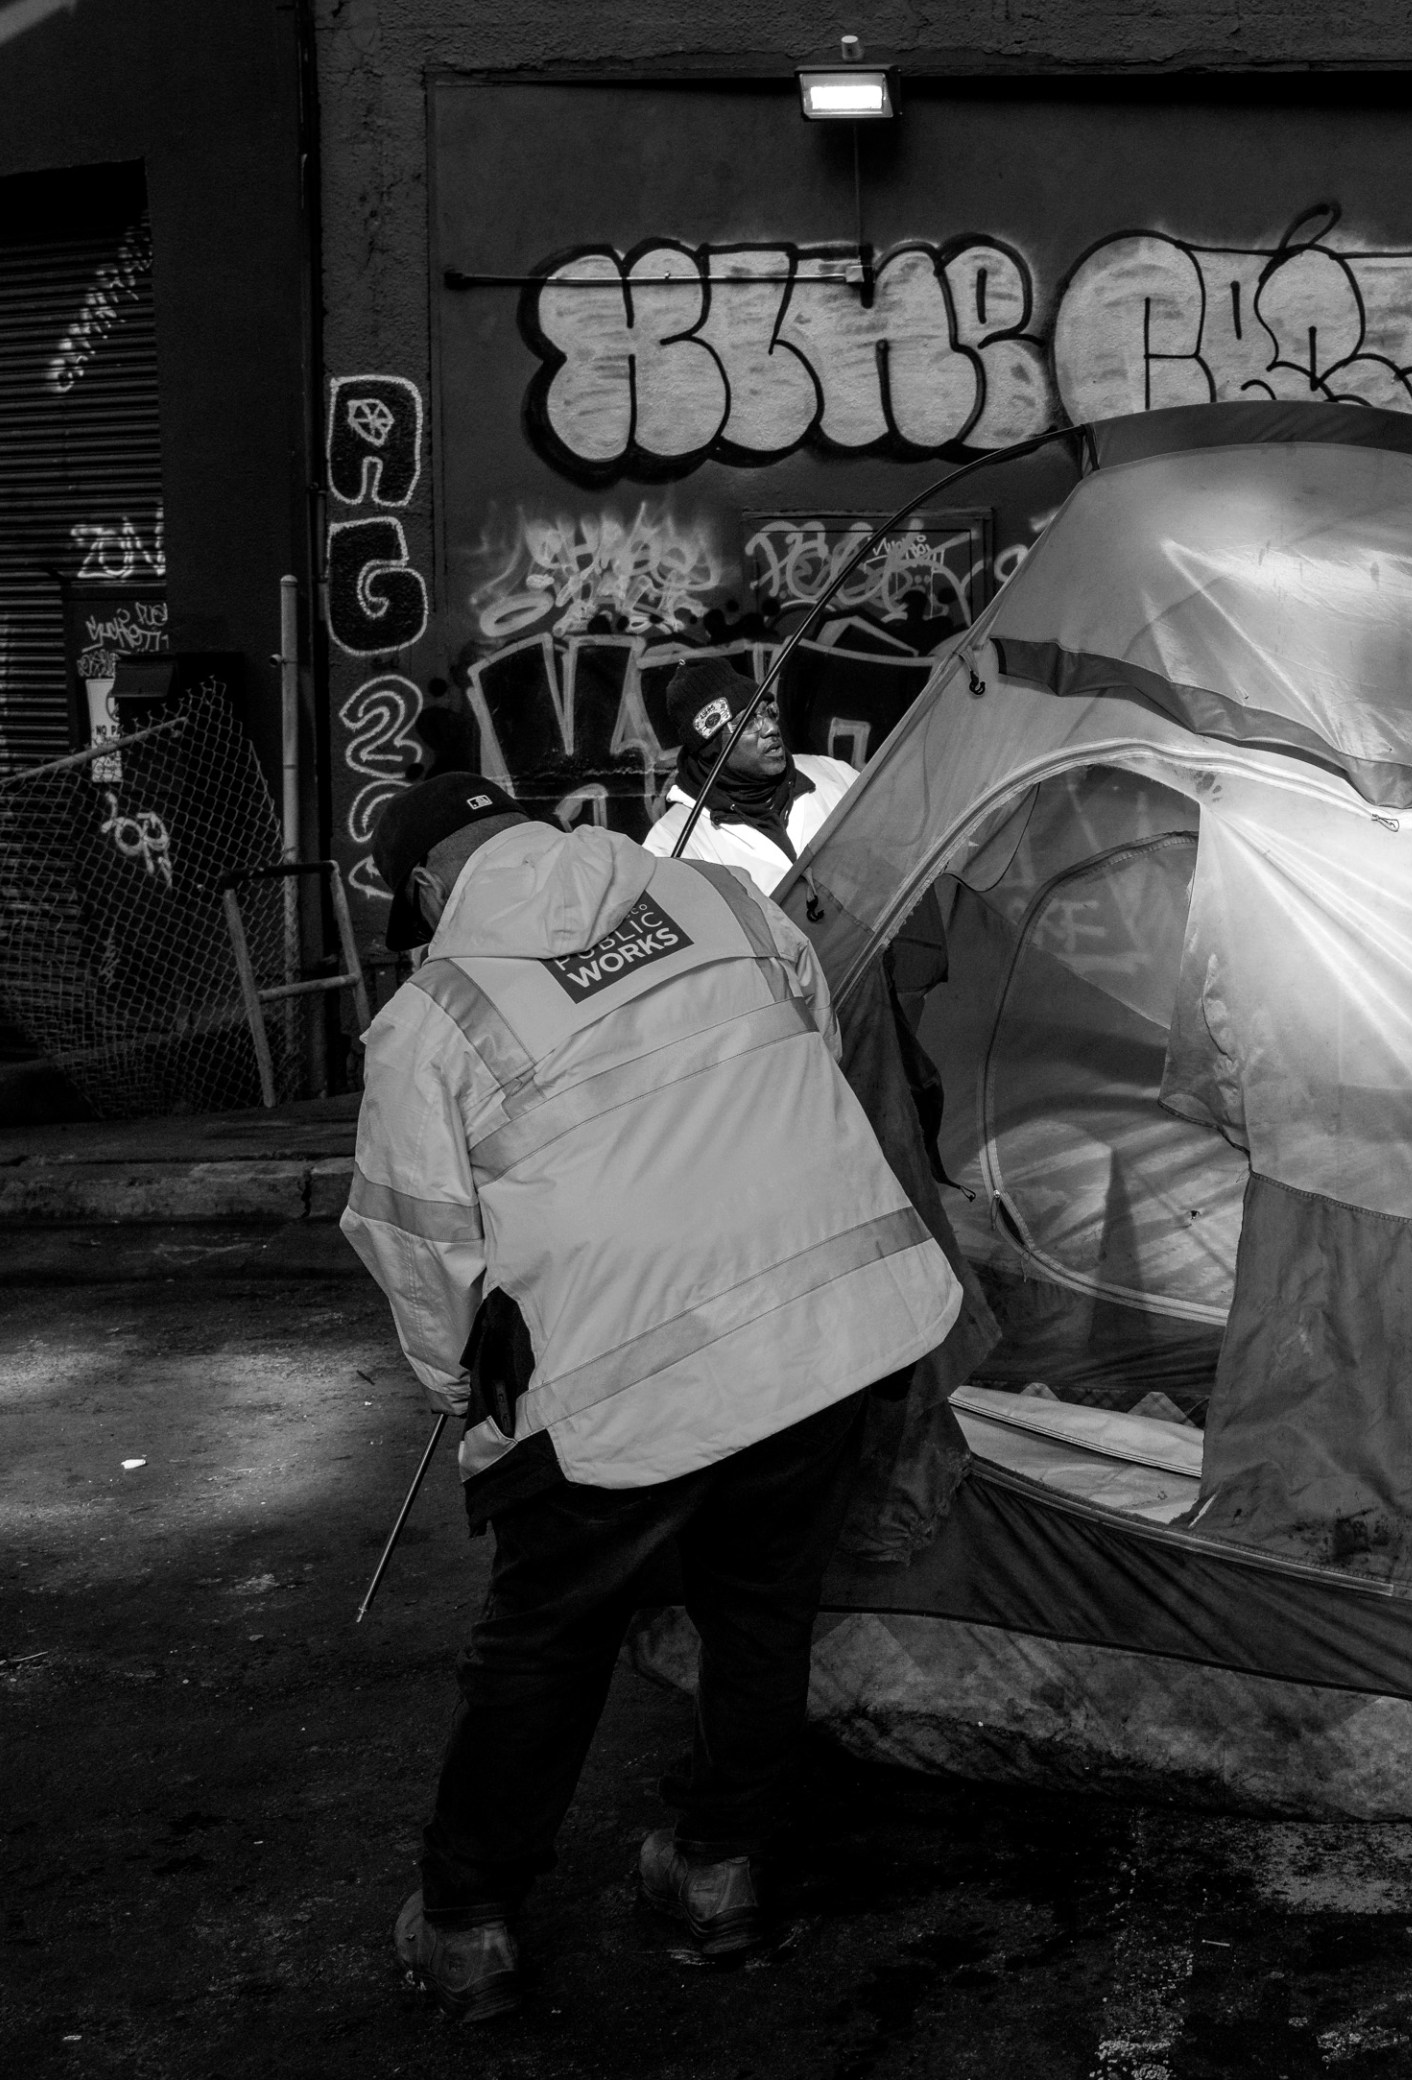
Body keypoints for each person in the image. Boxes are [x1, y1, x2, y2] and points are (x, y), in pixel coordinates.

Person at [342, 771, 964, 2021]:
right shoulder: (723, 899)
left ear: (423, 887)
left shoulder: (434, 1018)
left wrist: (458, 1389)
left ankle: (467, 1922)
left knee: (541, 1643)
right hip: (826, 1327)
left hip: (623, 1386)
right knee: (760, 1606)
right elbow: (805, 1052)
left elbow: (420, 1243)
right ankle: (720, 1873)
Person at [645, 654, 857, 891]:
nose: (771, 728)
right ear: (710, 746)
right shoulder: (674, 844)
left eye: (769, 712)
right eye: (748, 722)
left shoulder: (833, 775)